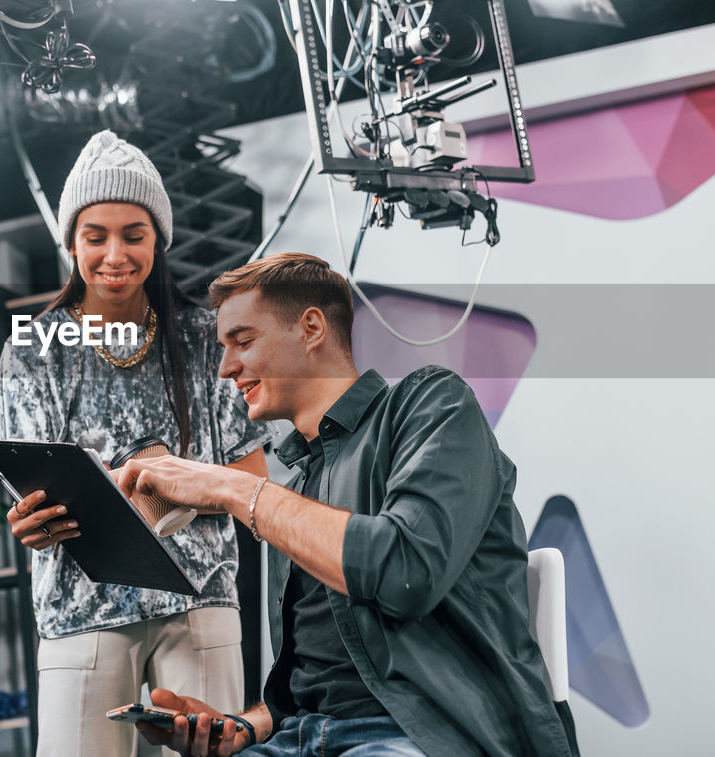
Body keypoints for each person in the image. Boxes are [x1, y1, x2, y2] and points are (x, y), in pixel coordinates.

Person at [116, 252, 580, 757]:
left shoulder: (432, 406)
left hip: (428, 735)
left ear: (312, 327)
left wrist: (233, 488)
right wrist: (243, 728)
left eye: (243, 341)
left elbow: (407, 571)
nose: (226, 368)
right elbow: (316, 684)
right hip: (301, 740)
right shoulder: (293, 491)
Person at [0, 129, 273, 757]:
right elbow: (25, 496)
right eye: (95, 237)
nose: (114, 254)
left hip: (199, 598)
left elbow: (254, 484)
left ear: (159, 241)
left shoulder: (209, 338)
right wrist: (28, 523)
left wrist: (168, 480)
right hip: (78, 608)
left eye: (134, 234)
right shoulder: (32, 348)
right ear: (72, 242)